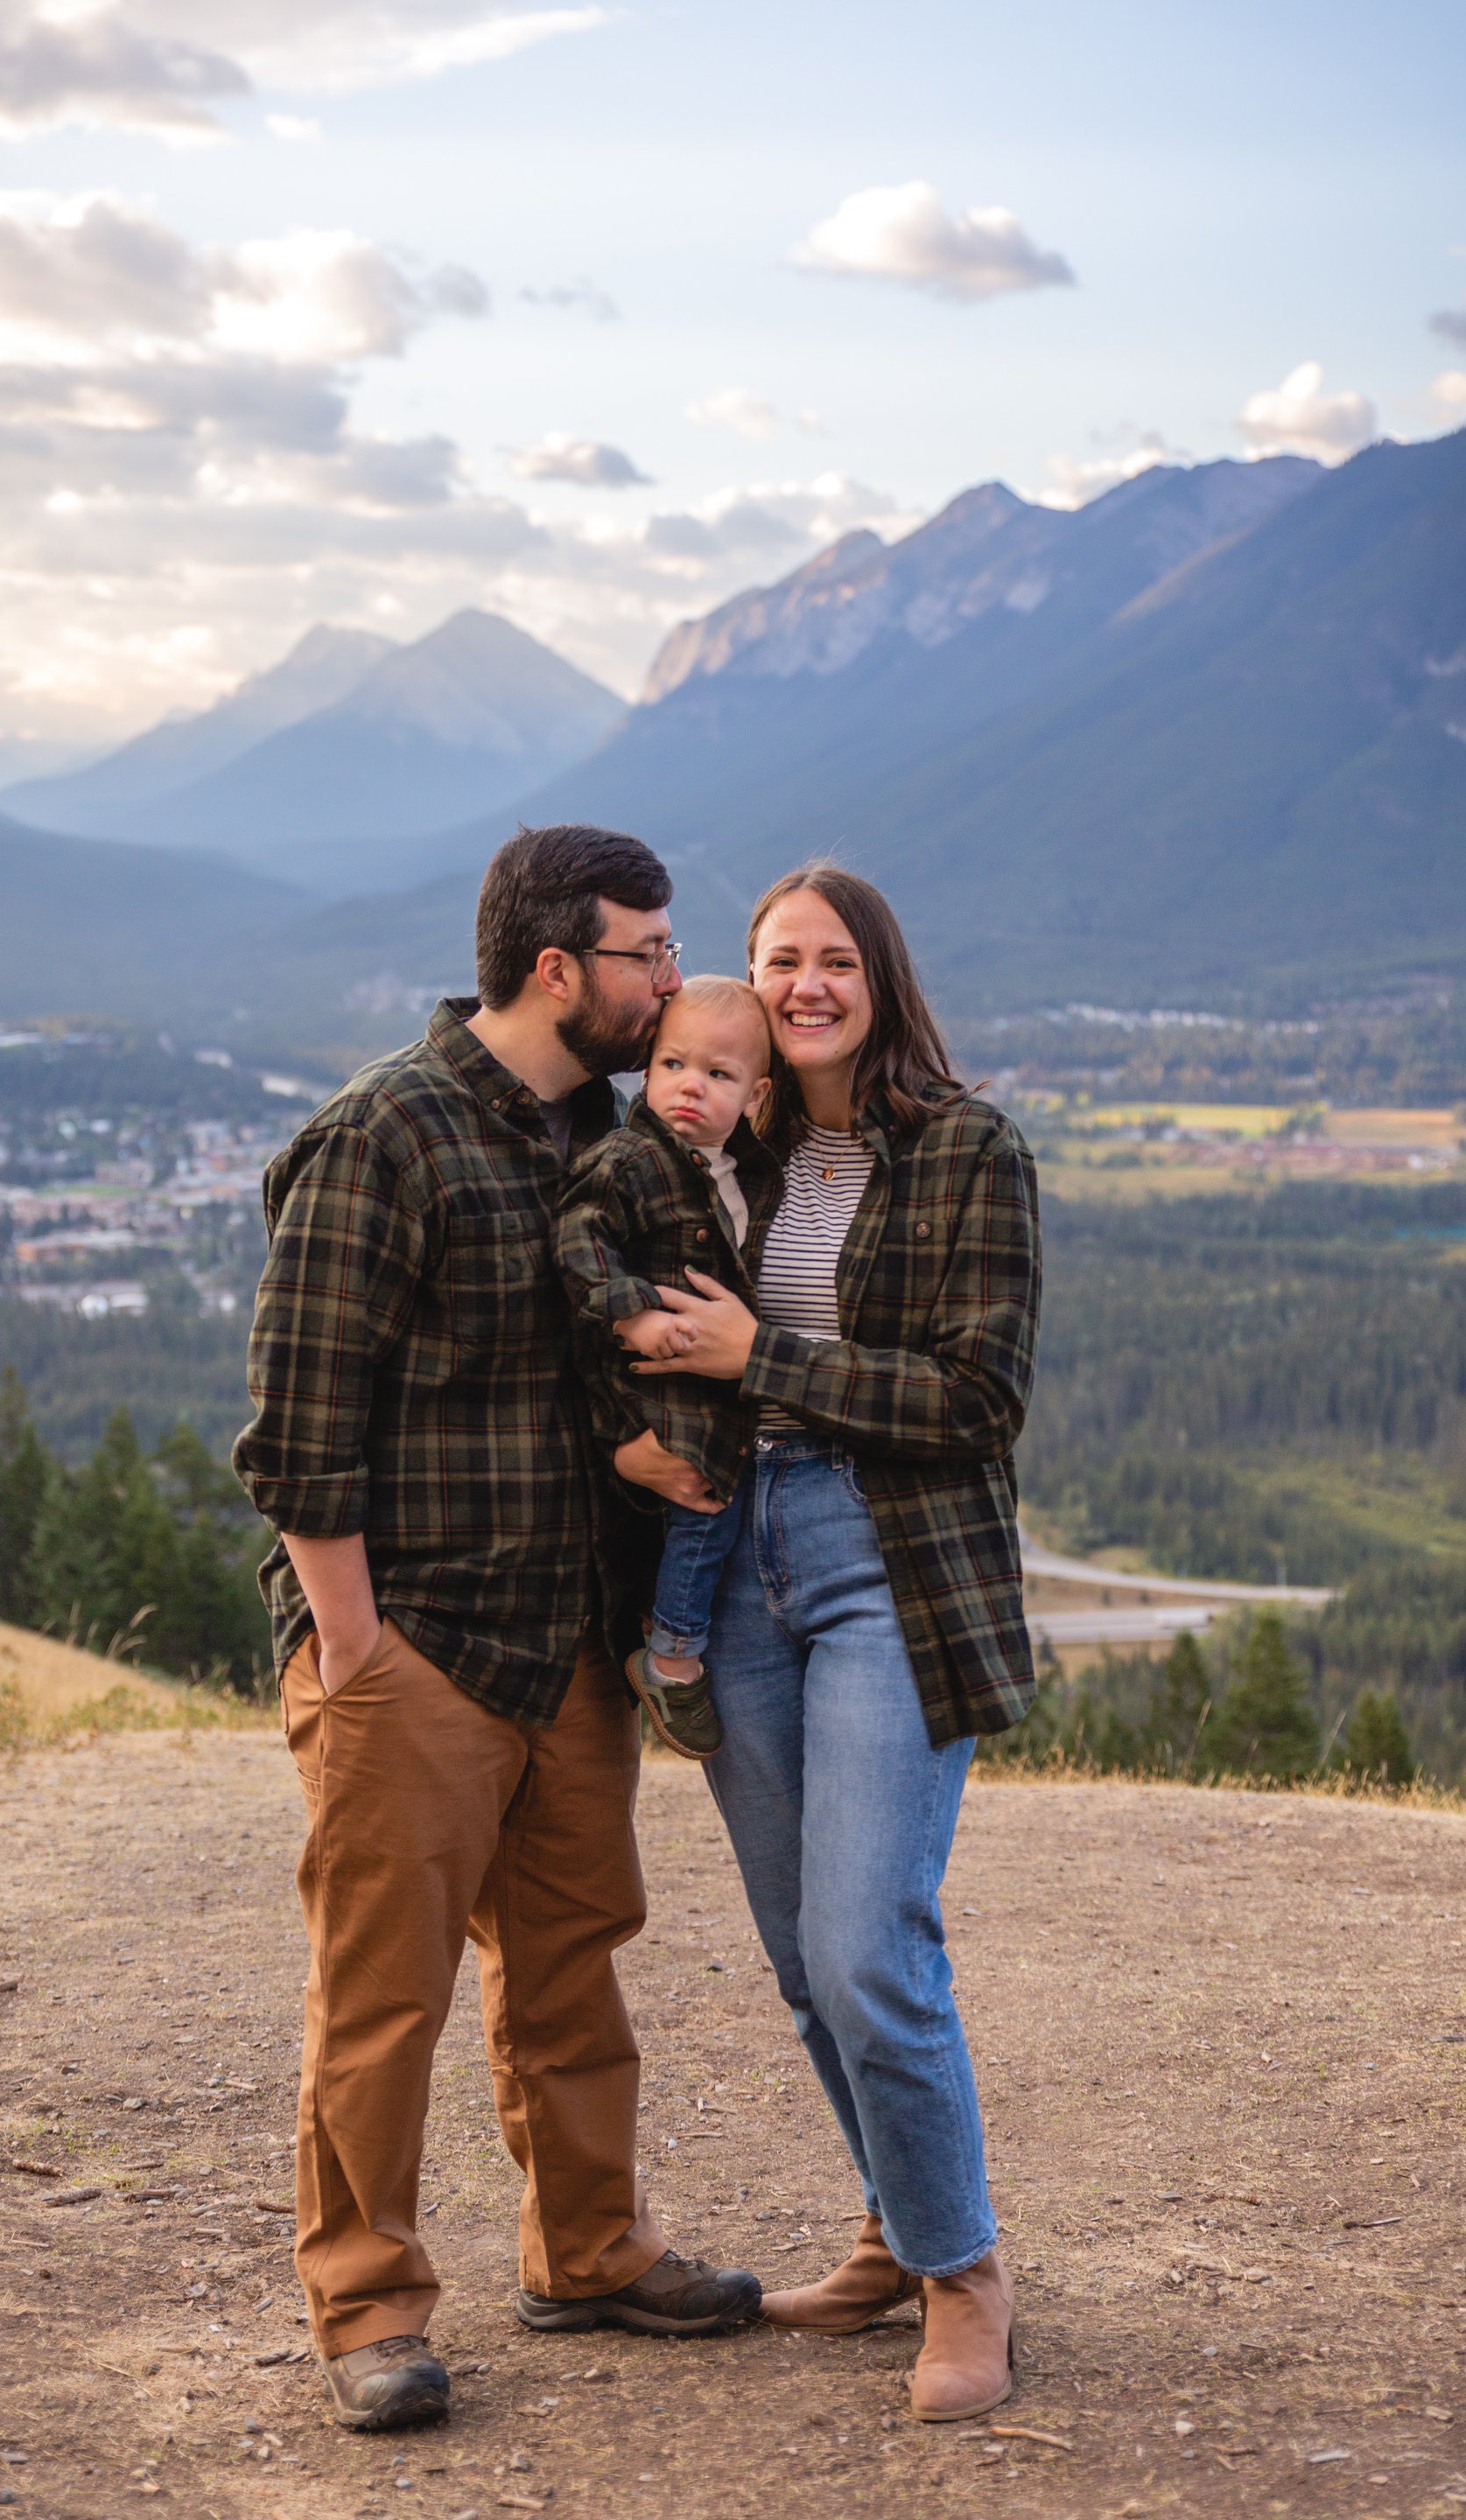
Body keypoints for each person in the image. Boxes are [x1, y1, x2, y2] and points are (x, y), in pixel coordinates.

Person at [232, 824, 762, 2438]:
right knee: (382, 1997)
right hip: (417, 1648)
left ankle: (588, 2252)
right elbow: (299, 1424)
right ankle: (369, 2309)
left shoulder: (612, 1137)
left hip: (568, 1646)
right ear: (556, 968)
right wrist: (355, 1649)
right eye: (648, 956)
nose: (671, 984)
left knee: (572, 1968)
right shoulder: (384, 1135)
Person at [619, 862, 1041, 2424]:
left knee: (872, 1946)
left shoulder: (969, 1150)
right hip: (733, 1562)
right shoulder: (731, 1144)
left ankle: (967, 2276)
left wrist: (766, 1356)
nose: (806, 985)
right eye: (780, 959)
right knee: (806, 1959)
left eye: (835, 961)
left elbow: (981, 1400)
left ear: (883, 979)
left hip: (889, 1560)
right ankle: (894, 2230)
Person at [553, 976, 781, 1760]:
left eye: (718, 1074)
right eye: (673, 1064)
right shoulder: (631, 1159)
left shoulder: (746, 1170)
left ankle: (658, 1620)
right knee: (705, 1501)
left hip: (716, 1381)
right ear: (647, 1070)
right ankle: (673, 1658)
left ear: (756, 1096)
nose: (690, 1086)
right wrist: (634, 1314)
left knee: (701, 1510)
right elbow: (577, 1239)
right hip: (653, 1377)